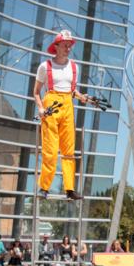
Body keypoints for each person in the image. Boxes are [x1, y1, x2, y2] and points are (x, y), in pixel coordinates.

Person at [34, 29, 88, 200]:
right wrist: (41, 108)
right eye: (65, 45)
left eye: (70, 45)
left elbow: (71, 90)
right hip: (51, 103)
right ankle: (44, 188)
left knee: (68, 150)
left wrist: (81, 96)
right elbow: (36, 92)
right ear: (56, 46)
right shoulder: (45, 67)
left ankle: (70, 189)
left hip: (67, 106)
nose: (68, 48)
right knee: (50, 150)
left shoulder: (74, 67)